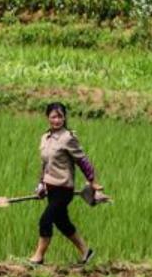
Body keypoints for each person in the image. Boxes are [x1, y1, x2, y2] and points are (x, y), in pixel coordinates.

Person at [30, 102, 101, 265]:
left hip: (64, 188)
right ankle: (86, 251)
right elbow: (45, 164)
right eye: (53, 117)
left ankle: (38, 256)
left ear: (64, 117)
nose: (57, 120)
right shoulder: (45, 138)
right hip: (51, 188)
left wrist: (92, 181)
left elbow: (82, 160)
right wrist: (41, 185)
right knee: (62, 222)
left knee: (45, 220)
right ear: (48, 118)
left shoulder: (68, 138)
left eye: (60, 116)